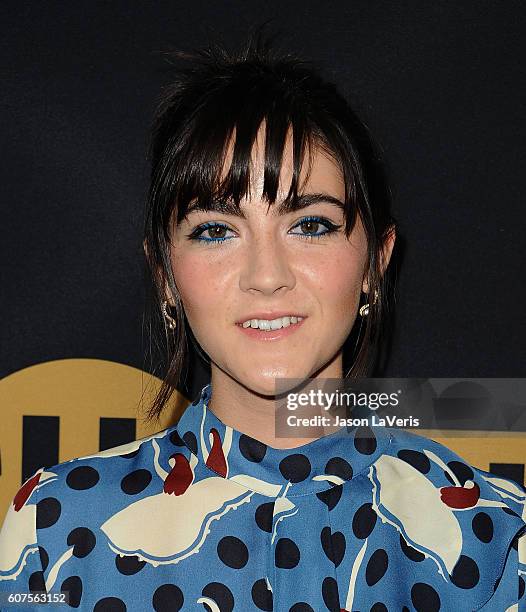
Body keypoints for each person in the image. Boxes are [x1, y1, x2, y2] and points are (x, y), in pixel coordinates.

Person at [1, 32, 525, 612]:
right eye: (216, 231)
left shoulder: (497, 537)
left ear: (377, 260)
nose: (267, 275)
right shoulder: (54, 528)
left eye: (311, 224)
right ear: (165, 275)